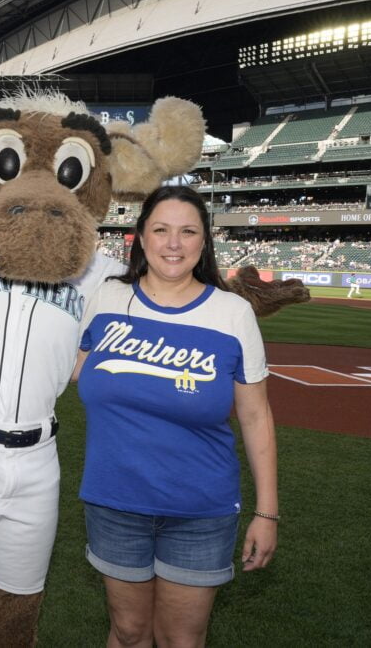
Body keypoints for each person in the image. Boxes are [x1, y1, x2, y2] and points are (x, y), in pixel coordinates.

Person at [73, 187, 278, 648]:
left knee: (181, 639)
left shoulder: (232, 314)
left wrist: (267, 512)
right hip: (114, 501)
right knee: (128, 632)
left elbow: (256, 417)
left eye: (188, 232)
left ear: (203, 243)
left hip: (199, 510)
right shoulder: (107, 299)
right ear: (140, 238)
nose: (173, 243)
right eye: (161, 230)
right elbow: (71, 370)